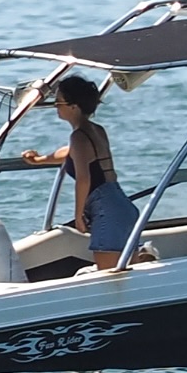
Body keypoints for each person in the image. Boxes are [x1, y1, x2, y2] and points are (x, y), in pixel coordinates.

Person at [21, 75, 139, 270]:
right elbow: (70, 153)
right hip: (122, 205)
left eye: (58, 102)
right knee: (129, 273)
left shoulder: (78, 136)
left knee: (109, 277)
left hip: (105, 208)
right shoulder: (95, 130)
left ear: (74, 106)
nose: (55, 107)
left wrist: (78, 216)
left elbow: (84, 179)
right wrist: (40, 159)